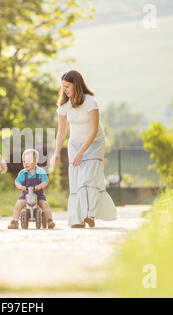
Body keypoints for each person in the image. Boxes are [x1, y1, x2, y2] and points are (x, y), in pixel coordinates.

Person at [50, 70, 117, 228]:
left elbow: (94, 131)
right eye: (63, 87)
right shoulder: (64, 106)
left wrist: (82, 153)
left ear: (77, 85)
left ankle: (90, 215)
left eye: (67, 86)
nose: (64, 90)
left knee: (89, 179)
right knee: (77, 181)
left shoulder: (90, 102)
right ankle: (78, 218)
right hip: (74, 144)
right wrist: (56, 152)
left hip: (94, 143)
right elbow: (61, 132)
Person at [7, 149, 56, 229]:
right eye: (24, 161)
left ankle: (50, 220)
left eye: (29, 161)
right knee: (18, 205)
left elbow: (45, 181)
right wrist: (20, 186)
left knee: (45, 205)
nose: (26, 163)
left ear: (36, 161)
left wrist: (40, 186)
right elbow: (17, 182)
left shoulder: (40, 171)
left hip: (39, 195)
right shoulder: (23, 173)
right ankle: (14, 221)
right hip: (25, 195)